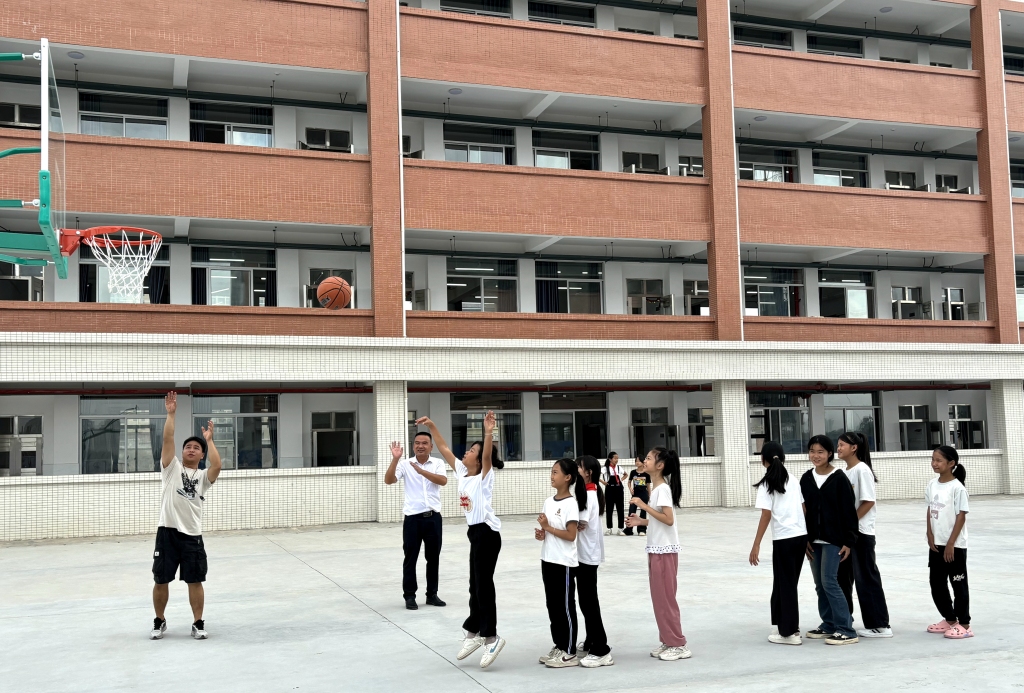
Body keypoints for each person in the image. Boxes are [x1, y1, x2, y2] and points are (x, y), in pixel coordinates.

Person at [417, 411, 506, 668]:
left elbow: (487, 457)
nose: (466, 452)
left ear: (478, 459)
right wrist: (432, 426)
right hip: (474, 534)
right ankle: (473, 631)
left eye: (472, 450)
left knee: (483, 586)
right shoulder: (462, 472)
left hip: (487, 533)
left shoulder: (484, 477)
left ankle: (491, 637)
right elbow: (443, 448)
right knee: (474, 585)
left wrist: (488, 432)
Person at [151, 391, 222, 641]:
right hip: (167, 532)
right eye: (188, 447)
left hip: (192, 535)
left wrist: (209, 440)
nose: (191, 449)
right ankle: (159, 620)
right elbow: (168, 438)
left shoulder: (202, 477)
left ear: (201, 455)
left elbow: (217, 466)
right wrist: (171, 414)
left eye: (197, 448)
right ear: (182, 452)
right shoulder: (171, 469)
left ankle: (198, 622)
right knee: (161, 580)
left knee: (195, 580)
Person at [626, 447, 691, 662]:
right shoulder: (656, 489)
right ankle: (668, 640)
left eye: (648, 458)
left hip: (664, 551)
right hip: (657, 549)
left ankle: (678, 643)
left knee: (665, 599)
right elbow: (659, 520)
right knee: (659, 599)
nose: (644, 461)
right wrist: (641, 521)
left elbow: (669, 520)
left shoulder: (662, 489)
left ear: (660, 465)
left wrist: (643, 505)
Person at [800, 435, 860, 646]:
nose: (815, 456)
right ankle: (829, 624)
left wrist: (849, 541)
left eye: (820, 452)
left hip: (835, 540)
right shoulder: (806, 478)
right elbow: (803, 511)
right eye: (812, 451)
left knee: (830, 582)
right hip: (813, 541)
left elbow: (849, 512)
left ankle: (846, 629)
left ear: (829, 454)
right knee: (820, 585)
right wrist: (804, 538)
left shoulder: (839, 478)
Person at [749, 441, 807, 646]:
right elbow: (804, 508)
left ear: (762, 459)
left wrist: (756, 544)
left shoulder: (767, 483)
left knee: (785, 584)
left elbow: (766, 515)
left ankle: (790, 632)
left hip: (784, 540)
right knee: (786, 583)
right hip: (800, 537)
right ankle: (784, 625)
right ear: (783, 458)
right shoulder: (793, 479)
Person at [836, 431, 893, 639]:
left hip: (861, 534)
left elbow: (868, 502)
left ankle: (880, 625)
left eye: (842, 445)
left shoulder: (862, 470)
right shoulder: (845, 471)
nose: (838, 448)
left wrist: (851, 524)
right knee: (843, 579)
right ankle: (844, 621)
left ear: (854, 448)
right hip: (847, 534)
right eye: (838, 444)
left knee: (866, 578)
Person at [384, 430, 449, 610]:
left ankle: (432, 594)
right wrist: (395, 459)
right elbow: (389, 480)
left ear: (431, 446)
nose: (420, 446)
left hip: (433, 518)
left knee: (433, 558)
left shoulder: (437, 463)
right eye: (417, 443)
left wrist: (422, 471)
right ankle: (410, 596)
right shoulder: (405, 464)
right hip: (413, 519)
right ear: (413, 446)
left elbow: (443, 481)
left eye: (424, 443)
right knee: (410, 558)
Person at [535, 458, 588, 668]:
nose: (552, 476)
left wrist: (548, 527)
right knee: (552, 605)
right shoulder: (549, 501)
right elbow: (547, 531)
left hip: (563, 562)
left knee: (565, 606)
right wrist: (542, 533)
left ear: (567, 477)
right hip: (548, 558)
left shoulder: (570, 504)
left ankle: (570, 651)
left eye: (556, 472)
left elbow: (571, 535)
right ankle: (559, 645)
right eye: (552, 471)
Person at [926, 446, 972, 639]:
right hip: (936, 544)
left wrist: (951, 543)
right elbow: (930, 509)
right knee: (936, 583)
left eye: (939, 460)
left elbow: (961, 516)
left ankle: (964, 624)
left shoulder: (957, 488)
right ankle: (950, 619)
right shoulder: (932, 484)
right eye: (933, 459)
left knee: (958, 583)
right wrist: (929, 534)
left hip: (955, 545)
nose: (934, 463)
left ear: (951, 463)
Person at [575, 455, 613, 668]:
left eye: (579, 467)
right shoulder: (592, 492)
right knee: (586, 600)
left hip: (586, 555)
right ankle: (591, 639)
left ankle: (601, 648)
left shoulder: (588, 495)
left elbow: (578, 523)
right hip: (588, 553)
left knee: (588, 602)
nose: (576, 470)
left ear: (588, 472)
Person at [624, 456, 650, 536]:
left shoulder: (647, 473)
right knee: (631, 511)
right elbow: (629, 482)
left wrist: (650, 496)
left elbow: (648, 486)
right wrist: (630, 489)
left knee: (643, 512)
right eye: (636, 461)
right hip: (635, 495)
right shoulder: (633, 472)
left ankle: (642, 530)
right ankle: (628, 530)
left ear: (642, 462)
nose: (637, 462)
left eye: (639, 461)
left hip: (644, 494)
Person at [600, 452, 625, 535]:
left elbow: (626, 474)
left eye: (617, 458)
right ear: (610, 459)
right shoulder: (605, 468)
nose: (617, 460)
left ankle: (620, 528)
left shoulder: (619, 468)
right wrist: (603, 482)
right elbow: (596, 475)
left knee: (620, 508)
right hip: (610, 489)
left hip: (619, 488)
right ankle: (609, 528)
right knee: (609, 509)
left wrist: (621, 480)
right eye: (615, 458)